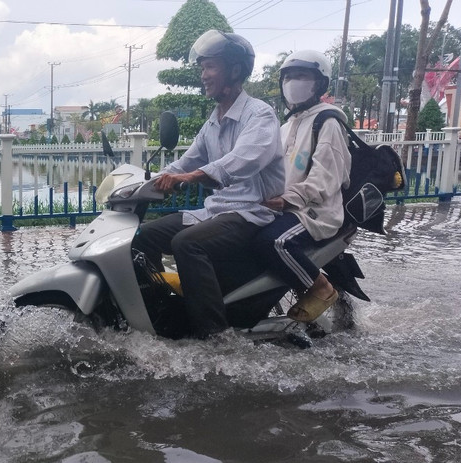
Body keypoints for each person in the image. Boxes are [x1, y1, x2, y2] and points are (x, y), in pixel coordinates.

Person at [132, 30, 285, 338]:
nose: (203, 75)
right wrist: (141, 181)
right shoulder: (213, 122)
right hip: (216, 212)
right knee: (142, 237)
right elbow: (185, 162)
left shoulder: (259, 115)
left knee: (187, 243)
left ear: (235, 69)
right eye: (201, 68)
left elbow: (244, 160)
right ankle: (162, 313)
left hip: (251, 212)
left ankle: (214, 335)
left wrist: (190, 178)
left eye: (209, 67)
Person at [252, 50, 352, 322]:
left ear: (319, 84)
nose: (293, 83)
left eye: (302, 76)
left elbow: (326, 179)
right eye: (289, 77)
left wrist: (288, 198)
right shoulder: (286, 125)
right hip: (284, 207)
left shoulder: (328, 121)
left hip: (314, 211)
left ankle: (322, 287)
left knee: (276, 241)